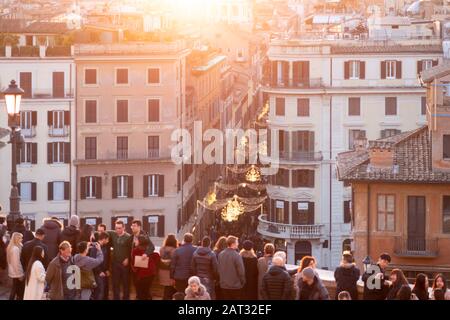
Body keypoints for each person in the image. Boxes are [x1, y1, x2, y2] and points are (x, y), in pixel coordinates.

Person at [106, 220, 132, 300]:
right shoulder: (113, 234)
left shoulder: (128, 237)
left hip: (125, 264)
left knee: (126, 284)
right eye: (116, 228)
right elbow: (103, 231)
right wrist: (94, 233)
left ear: (124, 227)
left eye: (120, 228)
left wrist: (128, 258)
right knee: (115, 284)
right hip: (115, 263)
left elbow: (132, 250)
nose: (118, 230)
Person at [131, 235, 160, 300]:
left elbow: (135, 263)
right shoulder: (148, 249)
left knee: (141, 292)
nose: (135, 241)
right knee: (146, 290)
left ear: (140, 242)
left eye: (136, 240)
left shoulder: (136, 250)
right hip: (151, 272)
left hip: (142, 274)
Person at [217, 236, 245, 300]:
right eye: (237, 242)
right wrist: (242, 281)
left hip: (224, 285)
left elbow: (219, 269)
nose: (238, 244)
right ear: (233, 244)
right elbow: (241, 271)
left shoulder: (221, 254)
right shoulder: (237, 255)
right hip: (235, 286)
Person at [159, 234, 178, 300]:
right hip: (170, 272)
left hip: (162, 271)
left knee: (167, 288)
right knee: (171, 289)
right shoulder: (175, 250)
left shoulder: (161, 249)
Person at [7, 232, 25, 300]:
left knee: (15, 287)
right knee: (15, 288)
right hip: (16, 272)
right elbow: (16, 263)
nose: (22, 239)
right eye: (20, 238)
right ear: (16, 239)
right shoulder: (15, 249)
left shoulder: (11, 247)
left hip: (13, 271)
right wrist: (20, 274)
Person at [93, 232, 110, 300]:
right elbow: (93, 261)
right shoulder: (95, 247)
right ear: (104, 239)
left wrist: (106, 270)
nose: (108, 241)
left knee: (103, 291)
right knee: (99, 291)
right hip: (98, 273)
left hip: (104, 272)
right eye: (107, 239)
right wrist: (99, 271)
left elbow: (105, 259)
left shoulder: (104, 246)